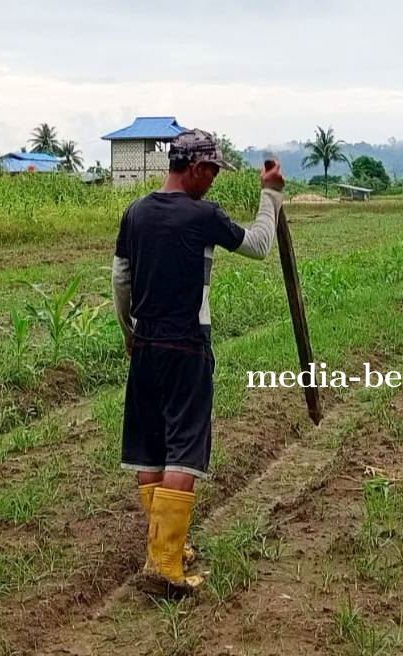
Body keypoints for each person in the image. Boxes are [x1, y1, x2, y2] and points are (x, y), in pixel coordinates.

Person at [111, 129, 285, 594]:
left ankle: (166, 546)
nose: (212, 180)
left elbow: (121, 280)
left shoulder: (135, 212)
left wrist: (130, 333)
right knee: (185, 449)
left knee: (150, 447)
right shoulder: (202, 215)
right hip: (187, 345)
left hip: (145, 345)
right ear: (192, 167)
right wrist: (271, 195)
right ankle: (165, 567)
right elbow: (258, 244)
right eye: (210, 171)